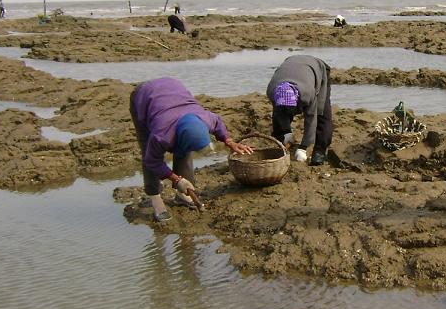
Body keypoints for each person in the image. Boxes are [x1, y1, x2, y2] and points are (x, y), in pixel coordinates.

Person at [130, 77, 253, 221]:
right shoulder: (161, 135)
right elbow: (152, 161)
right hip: (144, 96)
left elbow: (218, 123)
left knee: (185, 146)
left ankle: (182, 195)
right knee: (148, 151)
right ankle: (156, 200)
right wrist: (176, 179)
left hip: (172, 89)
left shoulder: (206, 119)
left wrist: (230, 142)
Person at [266, 54, 333, 166]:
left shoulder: (307, 94)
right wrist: (286, 132)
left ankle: (319, 153)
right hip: (292, 64)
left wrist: (303, 147)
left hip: (317, 68)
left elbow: (311, 119)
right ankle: (282, 145)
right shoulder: (272, 91)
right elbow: (278, 113)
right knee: (280, 113)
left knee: (321, 113)